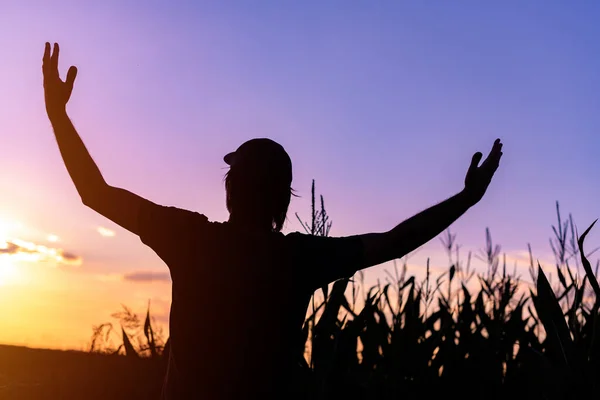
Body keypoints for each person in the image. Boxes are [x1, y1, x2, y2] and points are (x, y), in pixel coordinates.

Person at [42, 42, 503, 399]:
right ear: (283, 201)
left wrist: (58, 116)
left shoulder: (188, 238)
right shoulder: (299, 258)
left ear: (230, 189)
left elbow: (95, 193)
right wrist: (466, 199)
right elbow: (395, 241)